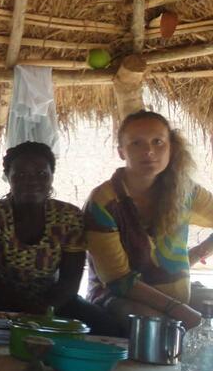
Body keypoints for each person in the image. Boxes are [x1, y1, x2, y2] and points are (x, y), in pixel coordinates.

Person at [85, 110, 213, 332]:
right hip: (118, 299)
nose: (149, 151)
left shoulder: (186, 191)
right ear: (121, 152)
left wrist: (199, 252)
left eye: (158, 142)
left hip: (178, 297)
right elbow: (118, 281)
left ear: (171, 147)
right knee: (154, 325)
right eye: (136, 143)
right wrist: (179, 310)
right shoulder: (104, 203)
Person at [0, 142, 115, 334]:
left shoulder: (68, 217)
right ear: (7, 176)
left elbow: (70, 279)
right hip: (1, 301)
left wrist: (45, 309)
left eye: (41, 174)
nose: (31, 181)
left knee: (108, 327)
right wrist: (26, 310)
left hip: (56, 301)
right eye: (20, 175)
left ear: (52, 175)